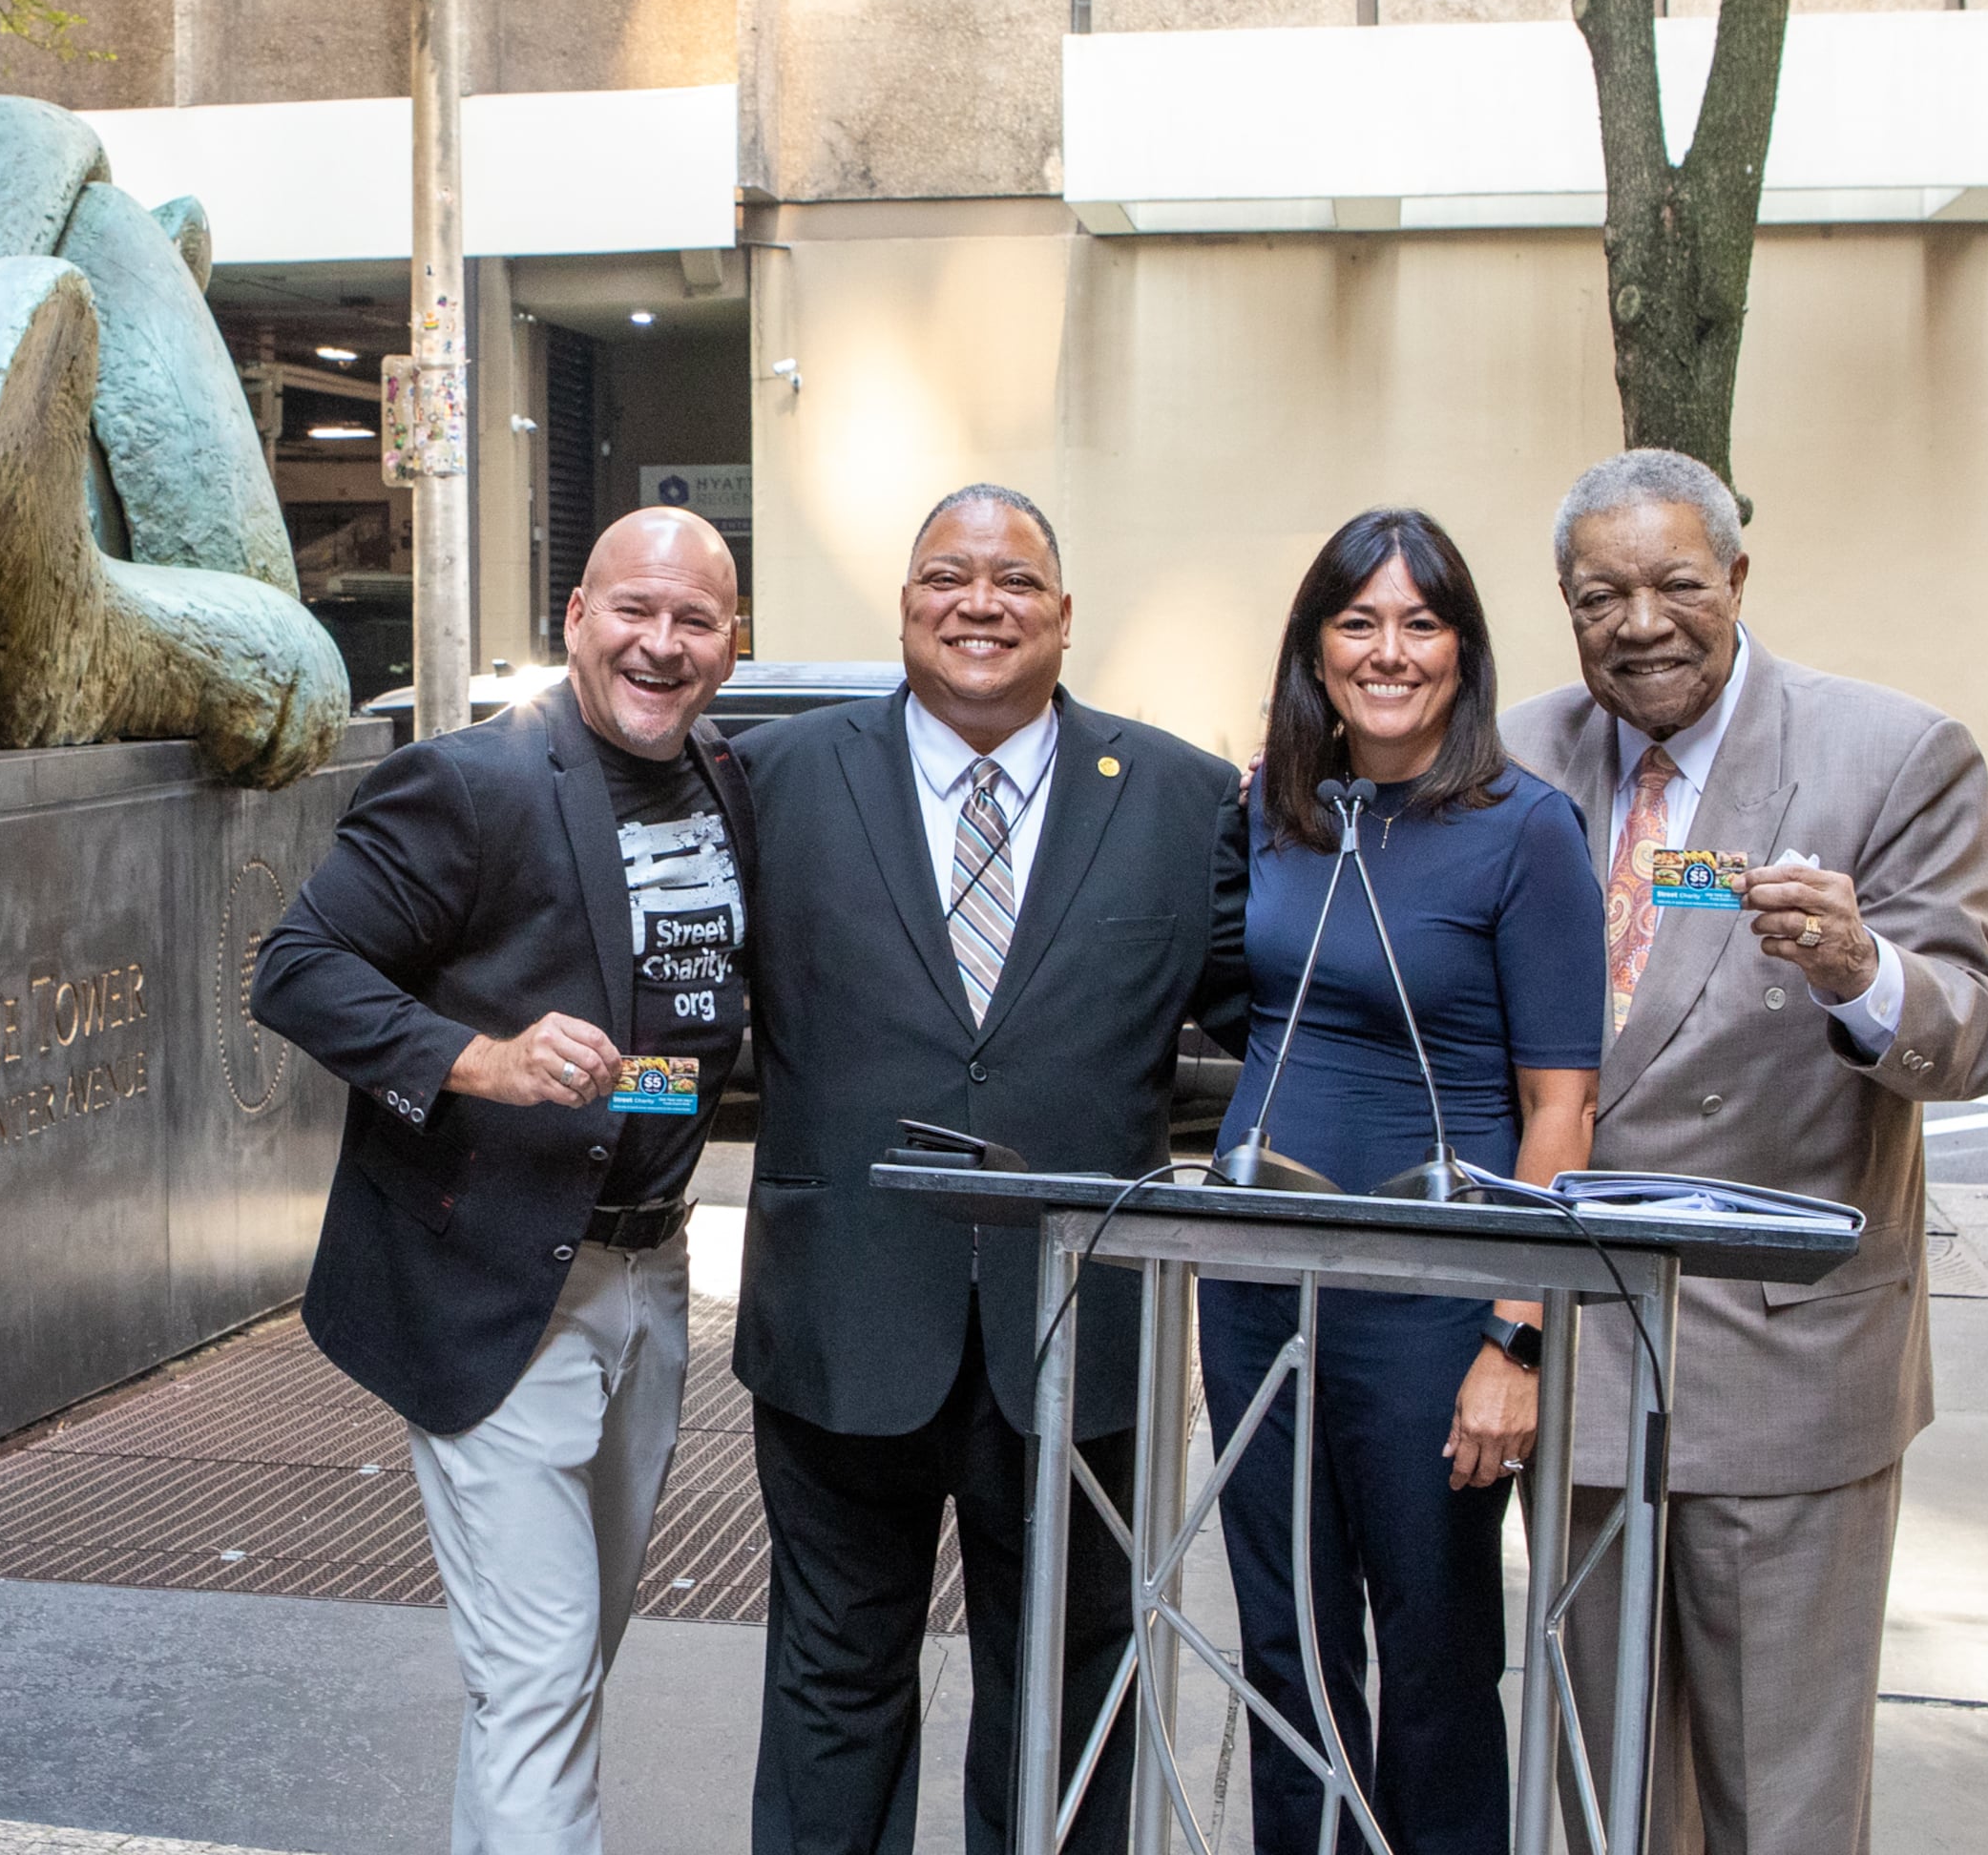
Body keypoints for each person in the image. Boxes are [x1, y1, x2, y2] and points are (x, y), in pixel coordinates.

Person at [729, 484, 1248, 1854]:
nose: (980, 605)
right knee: (833, 1684)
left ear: (1065, 617)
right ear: (903, 610)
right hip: (842, 1315)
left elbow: (1291, 1021)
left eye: (1015, 583)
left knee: (1074, 1694)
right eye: (946, 578)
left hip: (1086, 1332)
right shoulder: (774, 781)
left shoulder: (1185, 800)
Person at [1504, 450, 1988, 1855]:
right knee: (1598, 1788)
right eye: (1601, 595)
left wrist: (1861, 970)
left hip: (1785, 1370)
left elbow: (1965, 1040)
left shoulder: (1894, 754)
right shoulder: (1515, 754)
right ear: (1566, 605)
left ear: (1737, 577)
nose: (1640, 622)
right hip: (1579, 1358)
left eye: (1675, 584)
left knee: (1776, 1796)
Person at [252, 507, 751, 1855]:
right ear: (579, 616)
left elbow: (654, 1063)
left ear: (731, 643)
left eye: (694, 620)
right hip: (498, 1285)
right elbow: (296, 971)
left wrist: (617, 1088)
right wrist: (483, 1061)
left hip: (651, 1280)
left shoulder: (722, 783)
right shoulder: (473, 782)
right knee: (536, 1674)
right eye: (633, 611)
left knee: (561, 1668)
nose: (661, 642)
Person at [1200, 510, 1603, 1855]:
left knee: (1432, 1661)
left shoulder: (1525, 829)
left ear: (1464, 650)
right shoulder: (1273, 805)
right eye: (1357, 621)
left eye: (1421, 622)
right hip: (1258, 1285)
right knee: (1284, 1647)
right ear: (1314, 647)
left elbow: (1562, 1110)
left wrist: (1517, 1338)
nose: (1389, 651)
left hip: (1435, 1311)